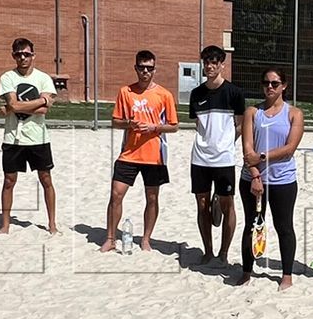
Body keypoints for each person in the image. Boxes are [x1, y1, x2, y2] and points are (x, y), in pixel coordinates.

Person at [101, 51, 177, 254]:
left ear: (155, 69)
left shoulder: (164, 95)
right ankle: (110, 238)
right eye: (141, 67)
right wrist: (129, 124)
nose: (145, 71)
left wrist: (153, 127)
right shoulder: (126, 92)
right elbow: (115, 122)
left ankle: (146, 239)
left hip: (155, 156)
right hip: (129, 153)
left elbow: (174, 126)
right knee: (116, 195)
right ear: (135, 68)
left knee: (152, 198)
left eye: (149, 68)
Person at [238, 68, 303, 289]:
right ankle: (246, 271)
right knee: (252, 225)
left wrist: (262, 156)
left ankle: (286, 276)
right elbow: (247, 147)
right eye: (266, 83)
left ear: (284, 85)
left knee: (284, 226)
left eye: (275, 83)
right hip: (252, 178)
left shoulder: (294, 113)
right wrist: (255, 174)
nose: (270, 87)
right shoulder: (252, 112)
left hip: (282, 180)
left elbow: (289, 148)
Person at [187, 45, 246, 265]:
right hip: (200, 158)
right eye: (206, 62)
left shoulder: (234, 93)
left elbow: (240, 126)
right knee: (202, 205)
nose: (210, 66)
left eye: (214, 62)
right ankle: (208, 250)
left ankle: (223, 252)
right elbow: (198, 125)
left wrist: (225, 145)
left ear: (222, 64)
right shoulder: (196, 94)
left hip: (224, 159)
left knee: (227, 204)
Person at [0, 37, 58, 234]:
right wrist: (39, 101)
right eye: (18, 54)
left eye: (26, 54)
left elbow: (44, 111)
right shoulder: (7, 78)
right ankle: (5, 225)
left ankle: (52, 224)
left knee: (46, 179)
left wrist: (12, 107)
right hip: (13, 138)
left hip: (38, 138)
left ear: (33, 55)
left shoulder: (43, 78)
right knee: (9, 181)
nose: (22, 57)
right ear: (13, 56)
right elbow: (16, 105)